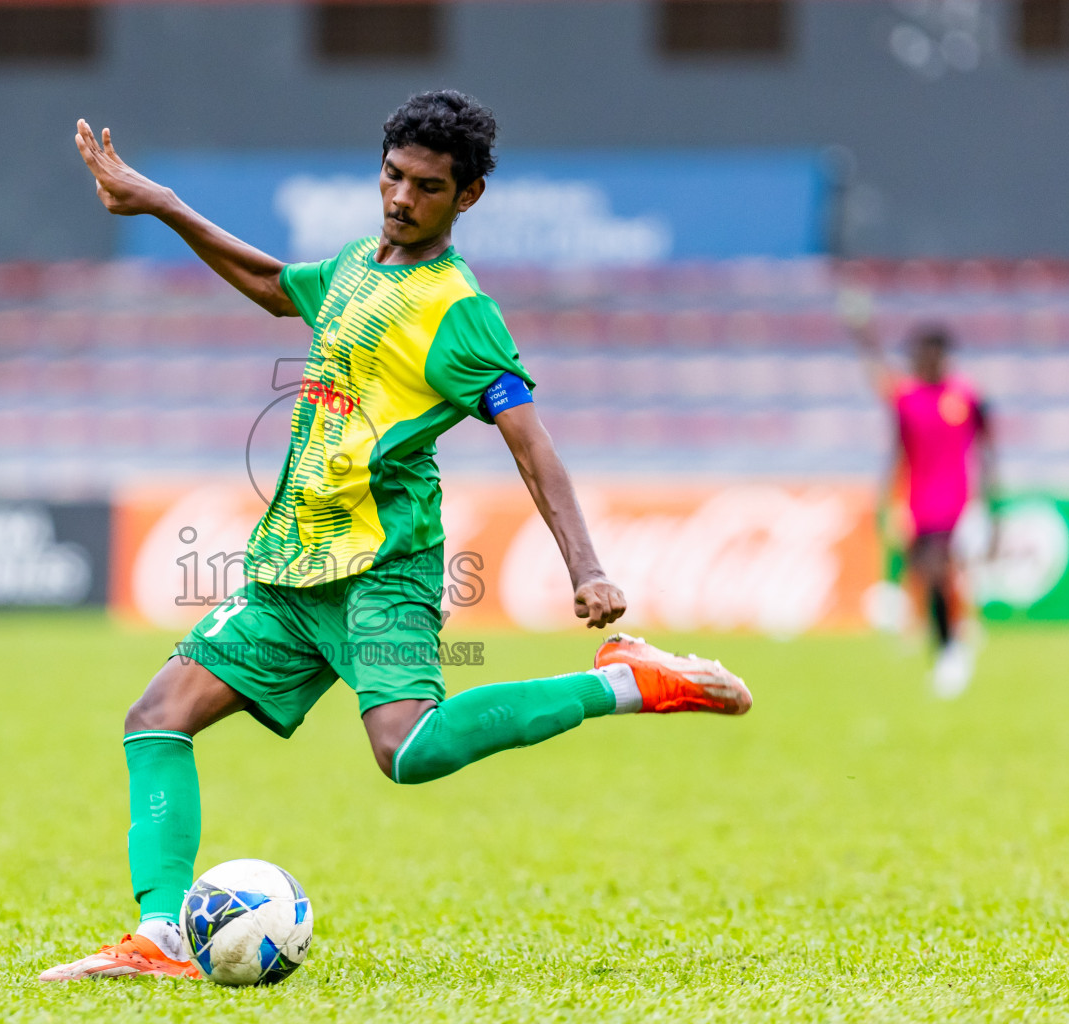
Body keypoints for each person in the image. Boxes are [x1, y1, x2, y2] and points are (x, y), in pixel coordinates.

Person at [41, 91, 753, 982]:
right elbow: (272, 287)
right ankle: (160, 938)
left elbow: (532, 446)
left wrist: (589, 567)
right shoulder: (354, 269)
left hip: (384, 568)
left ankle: (625, 681)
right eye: (391, 177)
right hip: (294, 569)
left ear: (469, 197)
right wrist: (164, 204)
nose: (401, 199)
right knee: (155, 720)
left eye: (426, 186)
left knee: (407, 753)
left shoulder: (461, 313)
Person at [842, 292, 997, 698]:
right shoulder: (907, 399)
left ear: (941, 355)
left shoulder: (965, 396)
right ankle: (952, 638)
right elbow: (896, 445)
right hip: (919, 501)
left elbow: (988, 449)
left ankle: (951, 653)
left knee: (937, 567)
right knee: (929, 574)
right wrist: (861, 330)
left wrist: (993, 506)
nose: (917, 360)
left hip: (957, 501)